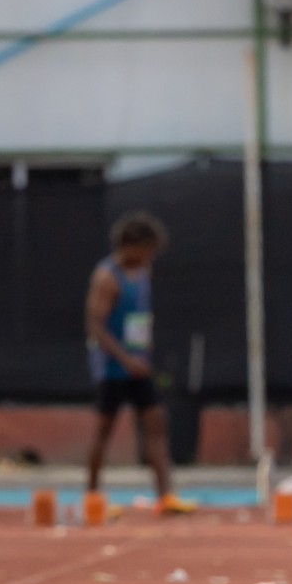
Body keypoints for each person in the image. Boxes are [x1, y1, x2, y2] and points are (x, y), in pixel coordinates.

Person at [85, 212, 195, 516]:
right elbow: (95, 326)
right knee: (104, 429)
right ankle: (92, 497)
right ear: (128, 244)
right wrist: (125, 358)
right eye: (146, 248)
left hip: (139, 365)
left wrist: (142, 355)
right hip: (113, 367)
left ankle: (166, 495)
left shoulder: (144, 271)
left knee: (157, 421)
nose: (150, 255)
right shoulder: (107, 277)